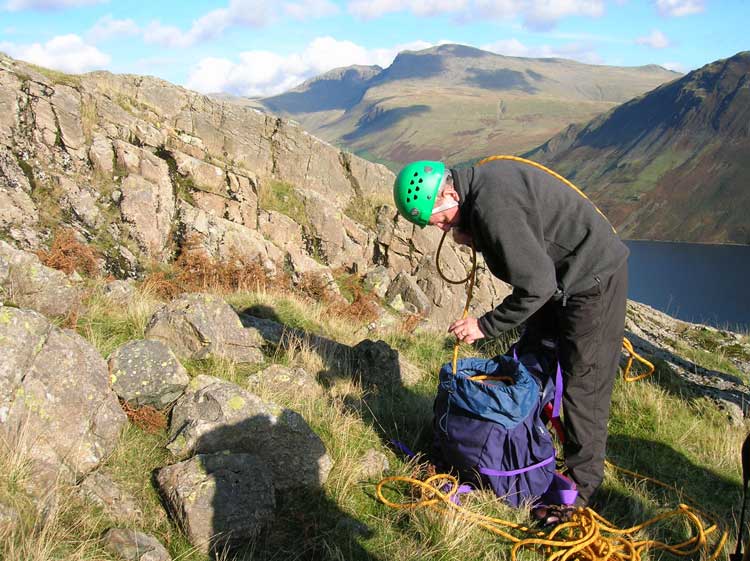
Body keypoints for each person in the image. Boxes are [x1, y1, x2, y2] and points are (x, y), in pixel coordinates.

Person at [392, 158, 629, 518]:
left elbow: (537, 286)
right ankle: (520, 448)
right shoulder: (476, 193)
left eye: (440, 219)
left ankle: (578, 493)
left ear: (450, 193)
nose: (441, 229)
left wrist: (484, 326)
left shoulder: (492, 206)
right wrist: (469, 229)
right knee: (531, 359)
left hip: (592, 279)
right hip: (559, 281)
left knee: (584, 386)